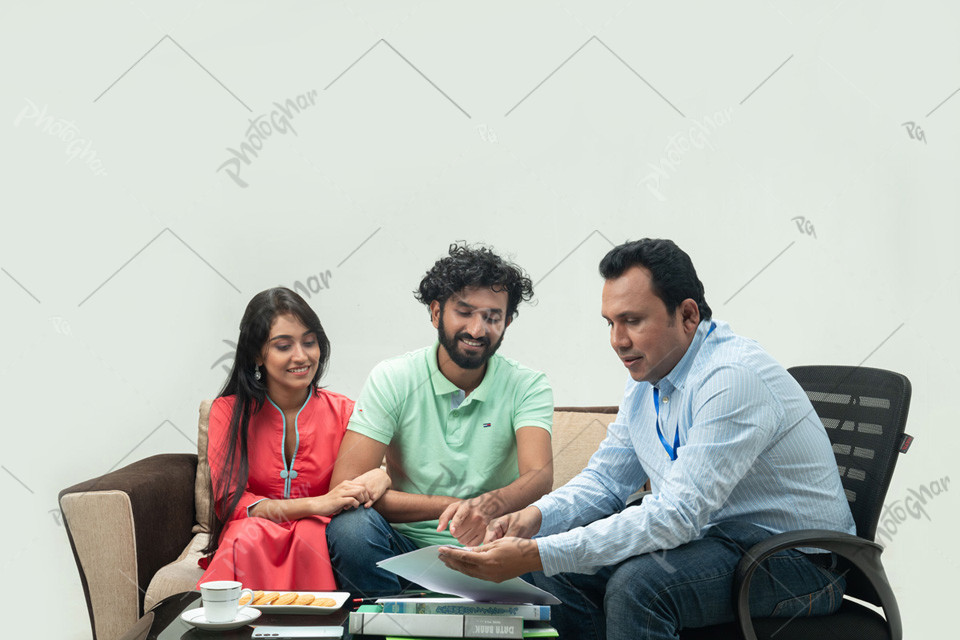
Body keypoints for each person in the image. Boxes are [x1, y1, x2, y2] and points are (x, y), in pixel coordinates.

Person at [439, 239, 857, 640]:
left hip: (801, 564)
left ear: (688, 315)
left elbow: (677, 516)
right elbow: (605, 482)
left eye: (633, 321)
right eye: (611, 323)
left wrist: (537, 551)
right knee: (554, 569)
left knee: (640, 587)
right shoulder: (648, 375)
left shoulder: (732, 378)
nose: (618, 341)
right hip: (720, 542)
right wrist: (533, 520)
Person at [327, 243, 555, 597]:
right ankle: (393, 622)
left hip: (494, 555)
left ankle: (422, 611)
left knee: (556, 553)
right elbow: (345, 489)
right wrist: (459, 508)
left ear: (507, 322)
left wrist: (487, 509)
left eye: (493, 317)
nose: (478, 330)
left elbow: (540, 476)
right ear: (436, 313)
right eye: (464, 312)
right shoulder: (394, 378)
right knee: (350, 527)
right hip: (404, 553)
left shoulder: (528, 385)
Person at [197, 287, 390, 590]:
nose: (301, 356)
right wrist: (317, 504)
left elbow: (379, 474)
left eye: (309, 342)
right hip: (253, 537)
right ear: (257, 354)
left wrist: (381, 479)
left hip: (320, 537)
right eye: (283, 346)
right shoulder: (227, 412)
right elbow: (230, 503)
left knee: (316, 535)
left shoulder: (346, 412)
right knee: (245, 534)